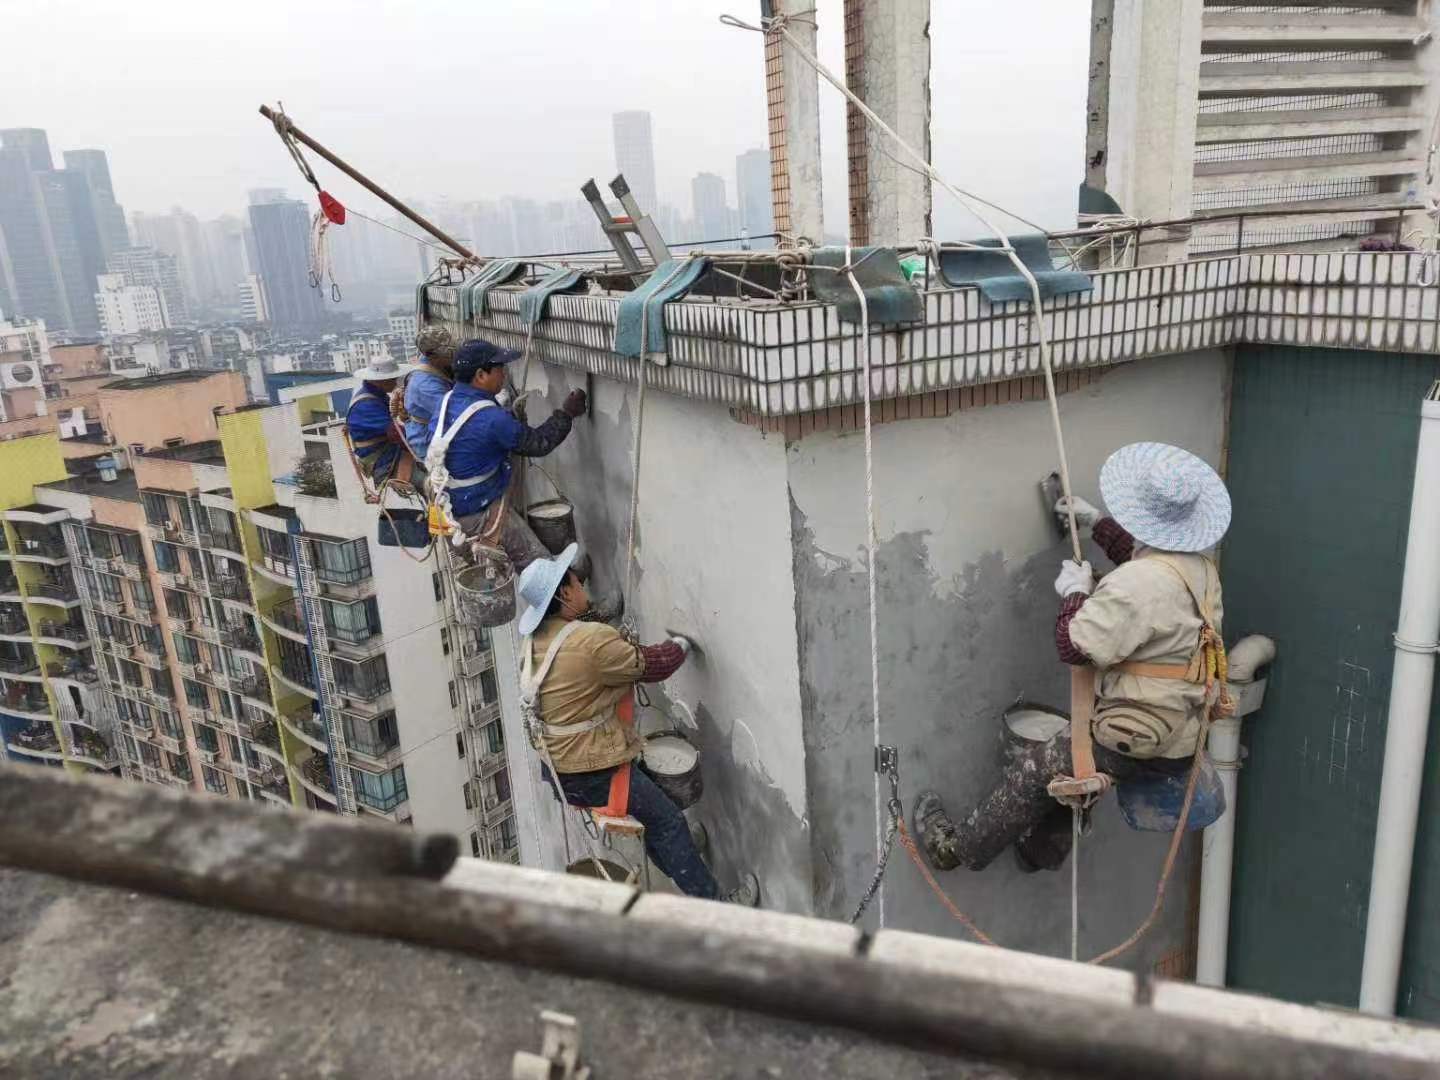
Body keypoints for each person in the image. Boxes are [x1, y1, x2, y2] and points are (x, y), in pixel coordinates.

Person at [914, 442, 1231, 872]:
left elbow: (1073, 645)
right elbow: (1149, 566)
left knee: (1039, 769)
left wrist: (1075, 594)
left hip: (1141, 736)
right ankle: (1039, 851)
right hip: (1183, 727)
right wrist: (1095, 522)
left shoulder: (1136, 587)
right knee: (1071, 756)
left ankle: (956, 851)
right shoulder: (1200, 569)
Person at [516, 545, 760, 905]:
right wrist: (682, 644)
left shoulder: (534, 644)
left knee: (657, 817)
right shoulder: (587, 641)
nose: (582, 585)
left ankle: (679, 851)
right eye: (576, 581)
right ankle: (720, 909)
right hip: (589, 771)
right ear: (565, 594)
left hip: (561, 771)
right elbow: (654, 665)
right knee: (667, 822)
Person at [425, 337, 586, 572]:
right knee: (540, 569)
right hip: (476, 513)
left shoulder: (446, 402)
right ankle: (564, 592)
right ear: (481, 375)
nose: (504, 373)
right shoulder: (492, 420)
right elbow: (538, 443)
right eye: (500, 368)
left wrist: (508, 419)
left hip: (450, 508)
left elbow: (470, 440)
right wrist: (567, 413)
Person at [344, 355, 408, 485]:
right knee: (428, 480)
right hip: (382, 458)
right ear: (381, 381)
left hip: (388, 448)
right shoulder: (366, 405)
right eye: (392, 379)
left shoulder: (375, 394)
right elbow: (397, 433)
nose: (396, 382)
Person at [397, 325, 456, 462]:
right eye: (448, 352)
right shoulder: (425, 386)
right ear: (431, 355)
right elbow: (454, 413)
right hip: (427, 442)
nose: (452, 355)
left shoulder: (435, 364)